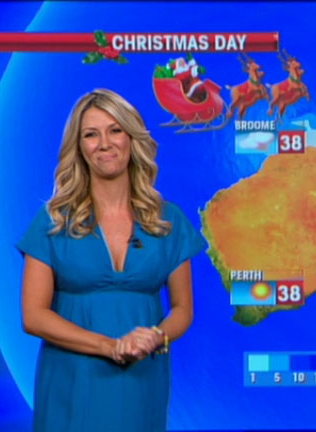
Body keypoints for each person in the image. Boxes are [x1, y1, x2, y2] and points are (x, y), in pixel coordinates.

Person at [17, 88, 205, 432]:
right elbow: (34, 316)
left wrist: (157, 336)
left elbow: (183, 310)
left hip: (141, 383)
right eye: (91, 134)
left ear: (131, 138)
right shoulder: (53, 221)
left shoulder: (168, 221)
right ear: (79, 147)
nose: (104, 144)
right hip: (72, 384)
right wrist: (109, 346)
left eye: (115, 130)